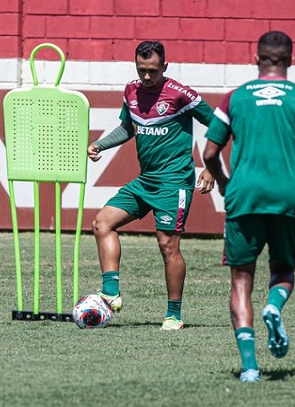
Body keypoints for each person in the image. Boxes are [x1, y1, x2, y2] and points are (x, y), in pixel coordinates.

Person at [203, 31, 295, 382]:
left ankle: (249, 368)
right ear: (290, 60)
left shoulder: (234, 98)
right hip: (289, 197)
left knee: (241, 280)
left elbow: (209, 153)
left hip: (244, 197)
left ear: (256, 58)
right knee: (282, 271)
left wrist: (226, 184)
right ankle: (274, 306)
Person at [88, 40, 215, 331]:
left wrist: (212, 168)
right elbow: (127, 128)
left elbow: (221, 125)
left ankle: (173, 315)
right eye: (141, 70)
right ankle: (111, 292)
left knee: (167, 245)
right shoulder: (131, 90)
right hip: (146, 181)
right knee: (102, 223)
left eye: (153, 71)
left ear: (165, 67)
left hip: (175, 183)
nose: (146, 77)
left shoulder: (181, 95)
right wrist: (100, 144)